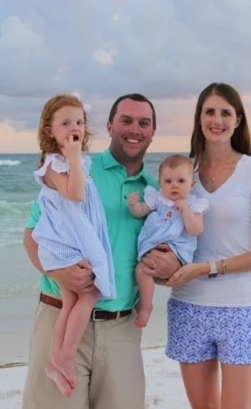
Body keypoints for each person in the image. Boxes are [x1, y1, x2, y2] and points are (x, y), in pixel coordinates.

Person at [22, 93, 182, 409]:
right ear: (109, 126)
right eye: (126, 120)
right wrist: (60, 273)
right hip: (60, 317)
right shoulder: (77, 169)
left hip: (122, 328)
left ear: (153, 132)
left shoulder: (157, 191)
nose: (134, 129)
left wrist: (169, 266)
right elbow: (32, 236)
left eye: (144, 123)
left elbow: (169, 248)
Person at [143, 82, 251, 409]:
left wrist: (206, 269)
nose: (216, 120)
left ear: (238, 120)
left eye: (225, 113)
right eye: (209, 112)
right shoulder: (182, 173)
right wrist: (162, 271)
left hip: (242, 307)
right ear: (199, 118)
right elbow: (161, 232)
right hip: (189, 305)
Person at [30, 94, 116, 397]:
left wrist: (78, 159)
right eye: (65, 123)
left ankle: (58, 360)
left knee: (70, 302)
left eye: (79, 121)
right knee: (90, 293)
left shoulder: (79, 162)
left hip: (70, 241)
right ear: (49, 131)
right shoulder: (54, 164)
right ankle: (67, 356)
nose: (74, 127)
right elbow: (76, 195)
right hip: (65, 245)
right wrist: (75, 158)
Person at [128, 154, 208, 328]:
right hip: (154, 246)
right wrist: (134, 205)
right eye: (168, 181)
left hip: (177, 250)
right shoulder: (158, 200)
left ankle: (149, 302)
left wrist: (185, 210)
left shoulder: (194, 205)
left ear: (192, 184)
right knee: (141, 271)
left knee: (164, 270)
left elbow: (196, 230)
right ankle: (146, 305)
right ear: (160, 183)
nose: (174, 185)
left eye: (181, 181)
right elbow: (141, 212)